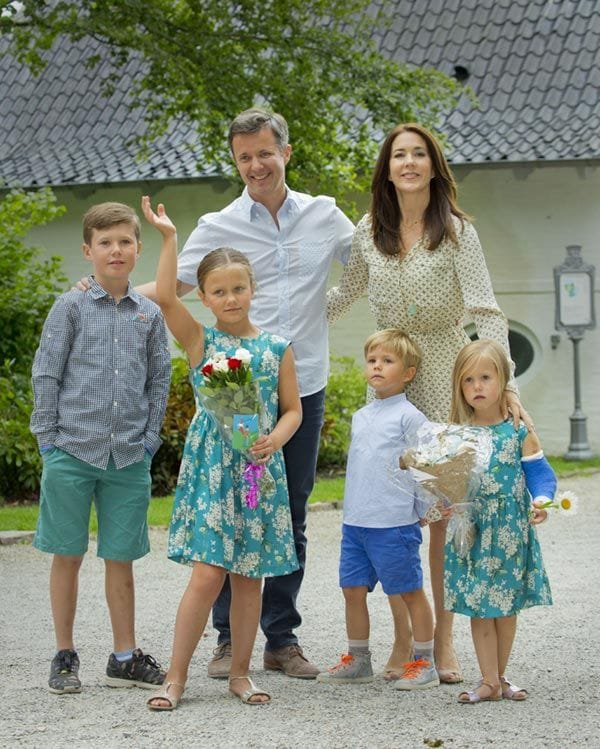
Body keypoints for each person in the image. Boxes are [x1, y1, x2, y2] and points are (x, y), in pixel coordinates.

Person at [136, 108, 354, 679]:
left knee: (288, 514)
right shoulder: (218, 226)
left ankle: (280, 641)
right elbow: (169, 290)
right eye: (244, 157)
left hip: (298, 388)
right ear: (236, 162)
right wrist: (100, 290)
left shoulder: (327, 217)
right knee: (231, 511)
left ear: (285, 151)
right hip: (231, 402)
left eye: (264, 152)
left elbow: (375, 268)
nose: (255, 165)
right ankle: (229, 641)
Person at [326, 122, 532, 683]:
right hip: (390, 379)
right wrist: (272, 320)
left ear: (434, 166)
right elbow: (343, 298)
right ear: (387, 168)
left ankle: (442, 643)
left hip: (443, 374)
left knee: (440, 519)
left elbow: (486, 310)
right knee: (392, 517)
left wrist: (507, 384)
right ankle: (404, 641)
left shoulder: (459, 231)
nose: (409, 163)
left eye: (419, 154)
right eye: (399, 155)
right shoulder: (369, 229)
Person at [141, 197, 302, 710]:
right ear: (206, 298)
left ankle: (240, 674)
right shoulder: (200, 342)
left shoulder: (277, 348)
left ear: (254, 290)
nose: (231, 298)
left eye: (239, 288)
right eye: (219, 291)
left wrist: (275, 438)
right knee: (209, 574)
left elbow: (293, 409)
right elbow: (165, 298)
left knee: (249, 576)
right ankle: (176, 676)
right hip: (213, 470)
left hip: (257, 469)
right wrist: (169, 239)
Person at [30, 202, 171, 695]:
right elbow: (47, 372)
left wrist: (150, 440)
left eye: (125, 242)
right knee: (66, 554)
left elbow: (160, 381)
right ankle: (65, 654)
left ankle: (125, 655)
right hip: (71, 450)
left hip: (128, 457)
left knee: (121, 559)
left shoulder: (150, 315)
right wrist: (48, 441)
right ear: (89, 250)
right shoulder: (69, 306)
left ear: (138, 249)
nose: (115, 250)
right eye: (105, 242)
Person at [317, 329, 440, 690]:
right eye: (372, 360)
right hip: (356, 523)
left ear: (408, 373)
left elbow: (424, 467)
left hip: (394, 522)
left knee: (408, 591)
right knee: (352, 590)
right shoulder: (361, 415)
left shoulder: (410, 417)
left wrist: (424, 508)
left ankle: (423, 662)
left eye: (387, 361)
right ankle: (358, 659)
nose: (377, 367)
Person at [445, 339, 554, 703]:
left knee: (506, 608)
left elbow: (540, 473)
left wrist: (541, 500)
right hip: (475, 532)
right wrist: (449, 502)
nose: (477, 387)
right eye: (468, 380)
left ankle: (500, 676)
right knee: (480, 606)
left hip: (509, 532)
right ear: (459, 386)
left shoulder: (518, 430)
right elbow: (452, 484)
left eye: (486, 378)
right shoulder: (458, 435)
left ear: (504, 381)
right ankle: (488, 681)